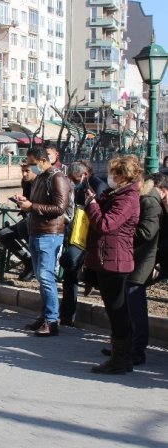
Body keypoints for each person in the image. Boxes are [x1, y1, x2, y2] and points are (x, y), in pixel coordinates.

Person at [83, 155, 141, 374]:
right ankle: (120, 356)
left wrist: (92, 204)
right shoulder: (119, 194)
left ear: (124, 176)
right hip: (108, 258)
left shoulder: (128, 198)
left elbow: (106, 224)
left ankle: (121, 360)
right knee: (116, 310)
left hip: (115, 260)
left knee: (118, 312)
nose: (111, 177)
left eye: (115, 173)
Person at [16, 146, 71, 337]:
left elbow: (59, 208)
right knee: (41, 277)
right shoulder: (41, 177)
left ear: (41, 161)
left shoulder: (57, 177)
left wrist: (32, 206)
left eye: (31, 162)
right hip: (36, 231)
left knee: (46, 277)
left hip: (50, 233)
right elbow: (36, 202)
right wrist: (25, 201)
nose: (29, 166)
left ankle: (52, 320)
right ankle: (45, 315)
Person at [116, 173, 163, 366]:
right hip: (135, 257)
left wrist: (123, 229)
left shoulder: (149, 200)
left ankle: (137, 350)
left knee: (136, 305)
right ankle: (125, 346)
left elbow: (147, 233)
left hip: (143, 258)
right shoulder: (142, 197)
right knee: (128, 303)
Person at [59, 160, 108, 326]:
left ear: (85, 174)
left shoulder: (99, 187)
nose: (73, 182)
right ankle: (67, 315)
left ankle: (89, 279)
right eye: (71, 179)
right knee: (69, 269)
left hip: (92, 238)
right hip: (78, 236)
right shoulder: (80, 186)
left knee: (70, 263)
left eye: (75, 179)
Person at [0, 162, 37, 282]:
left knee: (30, 238)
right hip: (27, 220)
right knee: (4, 234)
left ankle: (36, 268)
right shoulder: (26, 183)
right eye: (22, 171)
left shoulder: (42, 183)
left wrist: (28, 204)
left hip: (40, 223)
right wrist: (21, 201)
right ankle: (28, 262)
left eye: (27, 171)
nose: (23, 174)